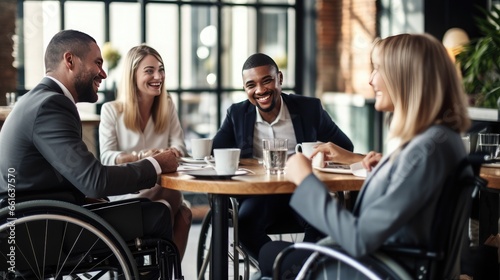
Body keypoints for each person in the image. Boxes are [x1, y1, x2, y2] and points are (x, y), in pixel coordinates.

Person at [256, 33, 472, 279]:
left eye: (378, 69)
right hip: (391, 263)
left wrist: (305, 180)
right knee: (271, 254)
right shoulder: (440, 141)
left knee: (270, 256)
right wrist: (374, 168)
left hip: (378, 269)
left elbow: (358, 239)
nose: (371, 80)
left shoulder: (425, 151)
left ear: (406, 77)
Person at [0, 30, 179, 257]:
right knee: (159, 212)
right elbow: (95, 180)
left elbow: (47, 174)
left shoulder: (34, 99)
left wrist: (82, 195)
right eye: (97, 63)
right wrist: (156, 165)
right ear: (70, 60)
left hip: (27, 223)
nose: (103, 73)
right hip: (39, 231)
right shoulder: (51, 105)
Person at [212, 53, 354, 259]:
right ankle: (282, 268)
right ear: (245, 88)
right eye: (251, 85)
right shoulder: (237, 114)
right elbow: (215, 154)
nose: (260, 90)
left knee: (321, 224)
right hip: (260, 195)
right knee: (243, 226)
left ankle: (300, 270)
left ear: (280, 78)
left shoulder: (309, 109)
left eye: (267, 80)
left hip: (302, 189)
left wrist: (318, 154)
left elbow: (344, 147)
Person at [99, 44, 192, 259]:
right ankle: (158, 270)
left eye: (161, 69)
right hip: (127, 190)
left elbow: (180, 148)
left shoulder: (167, 105)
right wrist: (142, 157)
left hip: (163, 188)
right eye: (149, 71)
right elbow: (107, 157)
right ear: (132, 76)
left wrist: (167, 153)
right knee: (177, 208)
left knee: (180, 209)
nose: (158, 76)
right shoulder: (111, 110)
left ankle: (163, 272)